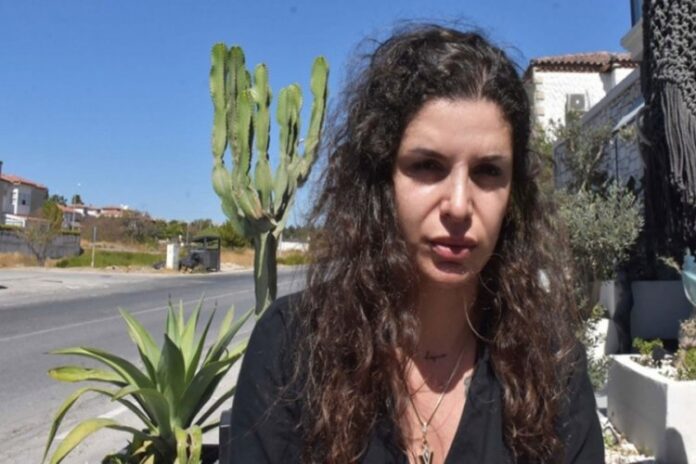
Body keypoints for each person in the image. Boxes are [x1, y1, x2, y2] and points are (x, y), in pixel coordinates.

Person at [228, 24, 604, 464]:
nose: (459, 206)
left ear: (513, 194)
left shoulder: (552, 367)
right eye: (427, 166)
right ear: (381, 180)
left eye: (487, 172)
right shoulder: (291, 349)